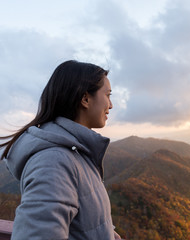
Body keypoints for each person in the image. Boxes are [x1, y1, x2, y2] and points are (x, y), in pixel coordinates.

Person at [0, 60, 122, 239]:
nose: (111, 105)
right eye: (108, 95)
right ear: (85, 99)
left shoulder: (76, 153)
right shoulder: (54, 161)